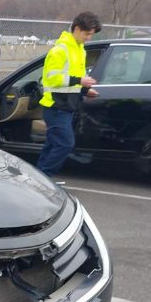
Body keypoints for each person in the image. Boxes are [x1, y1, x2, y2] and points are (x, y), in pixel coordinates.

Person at [35, 11, 102, 177]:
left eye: (91, 35)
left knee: (52, 144)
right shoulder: (60, 50)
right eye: (87, 34)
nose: (89, 38)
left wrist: (86, 90)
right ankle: (45, 177)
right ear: (77, 29)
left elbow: (75, 76)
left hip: (67, 105)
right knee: (65, 144)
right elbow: (51, 79)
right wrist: (80, 82)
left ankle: (39, 178)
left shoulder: (79, 49)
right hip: (56, 106)